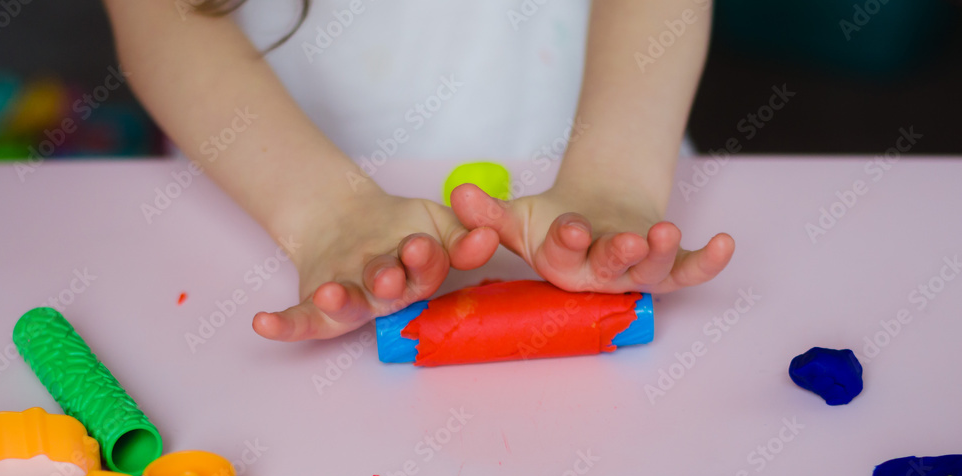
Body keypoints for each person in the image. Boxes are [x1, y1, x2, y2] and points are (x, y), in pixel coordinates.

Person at [102, 0, 734, 342]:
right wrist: (322, 212)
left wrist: (616, 179)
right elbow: (161, 14)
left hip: (606, 151)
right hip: (265, 186)